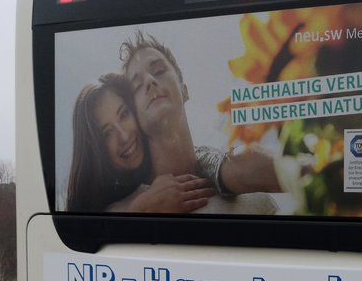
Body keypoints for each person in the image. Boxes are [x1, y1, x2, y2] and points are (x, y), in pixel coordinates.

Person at [119, 30, 283, 211]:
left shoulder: (256, 202)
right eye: (137, 86)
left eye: (158, 70)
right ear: (133, 116)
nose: (150, 81)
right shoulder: (124, 209)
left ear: (184, 90)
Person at [65, 73, 213, 213]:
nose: (123, 136)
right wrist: (140, 211)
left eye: (124, 115)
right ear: (95, 151)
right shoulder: (105, 215)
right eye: (107, 133)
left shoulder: (198, 163)